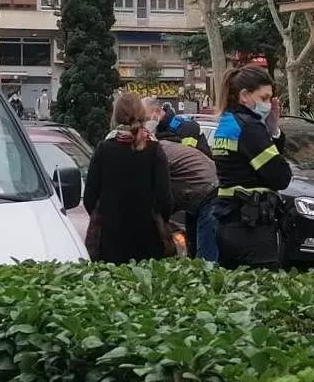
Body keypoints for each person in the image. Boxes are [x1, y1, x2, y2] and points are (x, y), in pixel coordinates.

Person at [212, 66, 292, 270]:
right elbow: (280, 177)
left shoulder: (227, 122)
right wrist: (272, 131)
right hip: (252, 227)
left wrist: (272, 131)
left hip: (229, 221)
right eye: (264, 98)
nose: (268, 105)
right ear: (245, 96)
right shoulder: (250, 127)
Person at [83, 93, 173, 264]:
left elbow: (89, 198)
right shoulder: (154, 150)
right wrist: (160, 221)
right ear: (142, 115)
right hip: (149, 240)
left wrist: (105, 217)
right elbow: (165, 198)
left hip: (110, 242)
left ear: (115, 116)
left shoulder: (104, 149)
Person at [155, 139, 220, 261]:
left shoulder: (155, 156)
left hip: (208, 193)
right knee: (194, 247)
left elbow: (162, 197)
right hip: (203, 190)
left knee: (205, 257)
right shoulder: (161, 148)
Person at [142, 96, 212, 157]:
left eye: (147, 119)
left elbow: (187, 156)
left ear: (157, 111)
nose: (145, 123)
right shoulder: (156, 130)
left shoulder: (186, 127)